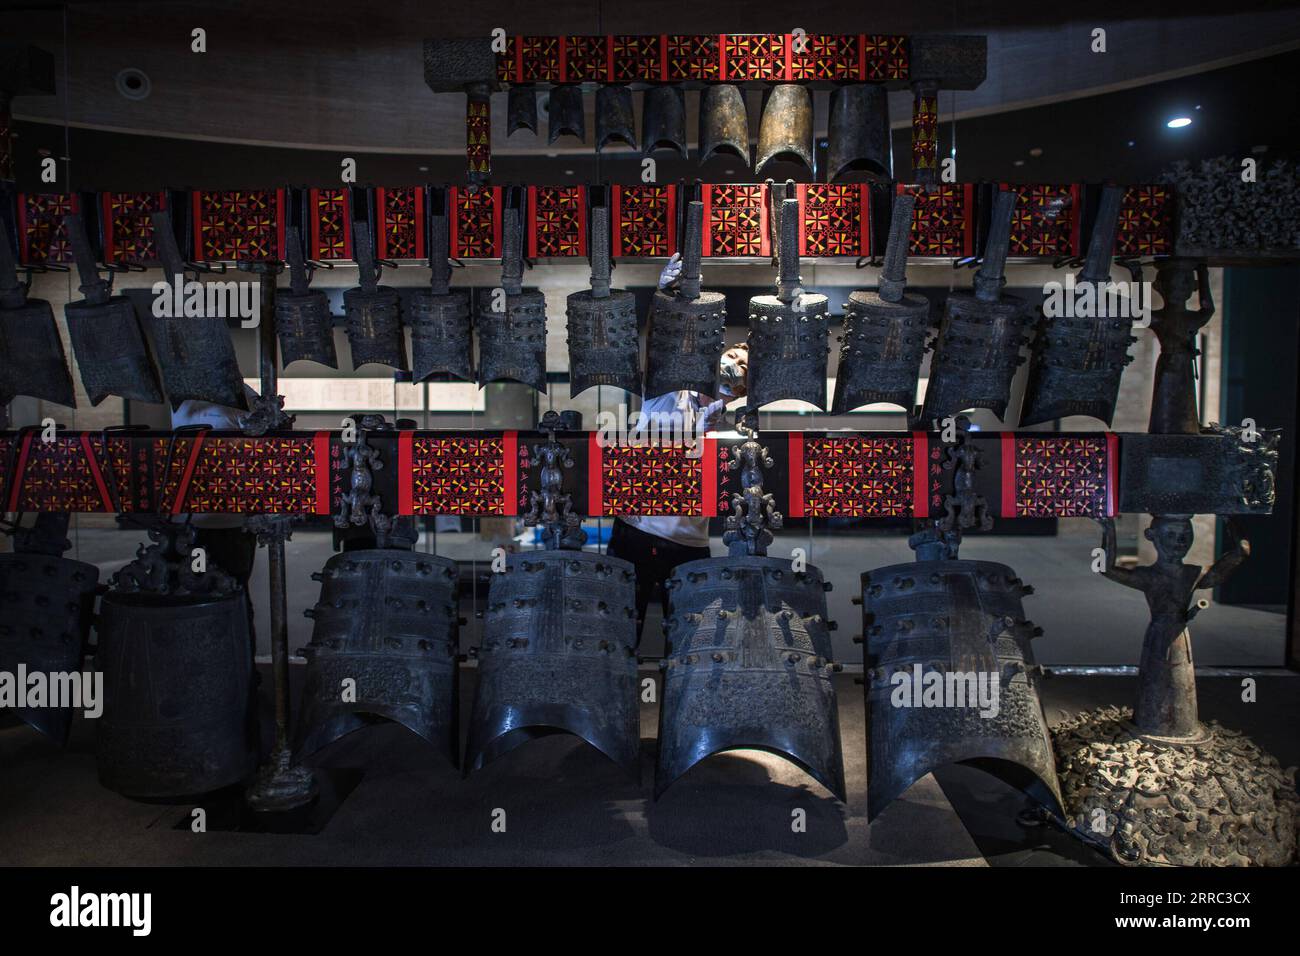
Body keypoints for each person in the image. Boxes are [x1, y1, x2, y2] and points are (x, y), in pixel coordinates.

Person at [606, 253, 749, 640]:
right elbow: (661, 347)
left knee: (689, 643)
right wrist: (666, 293)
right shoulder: (668, 395)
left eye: (744, 369)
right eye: (733, 355)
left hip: (689, 545)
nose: (735, 364)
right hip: (637, 531)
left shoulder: (725, 430)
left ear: (742, 391)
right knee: (620, 634)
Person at [171, 385, 261, 650]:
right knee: (229, 598)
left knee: (203, 597)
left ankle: (210, 666)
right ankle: (233, 672)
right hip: (218, 523)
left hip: (202, 521)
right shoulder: (242, 396)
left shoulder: (183, 398)